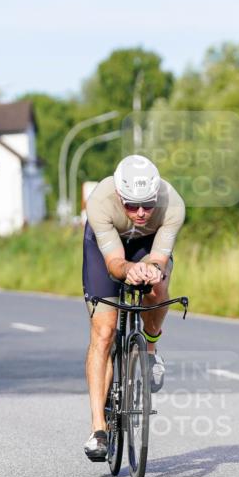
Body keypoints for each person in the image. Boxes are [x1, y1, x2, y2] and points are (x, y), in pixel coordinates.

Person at [81, 154, 185, 461]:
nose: (140, 213)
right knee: (104, 332)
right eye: (131, 205)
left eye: (148, 205)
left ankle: (150, 351)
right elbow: (114, 263)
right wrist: (128, 270)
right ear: (118, 195)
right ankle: (98, 429)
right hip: (106, 251)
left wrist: (152, 269)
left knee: (158, 287)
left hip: (146, 246)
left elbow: (160, 258)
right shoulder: (100, 201)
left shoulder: (173, 204)